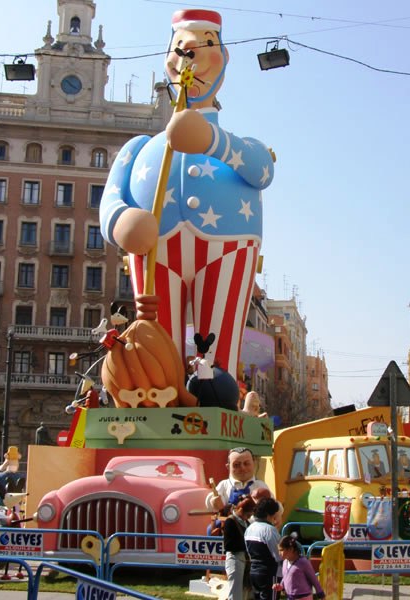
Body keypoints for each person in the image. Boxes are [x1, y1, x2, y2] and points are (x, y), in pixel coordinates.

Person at [99, 8, 276, 381]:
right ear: (169, 58)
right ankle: (163, 398)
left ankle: (216, 404)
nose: (189, 54)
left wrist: (213, 141)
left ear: (223, 59)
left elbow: (263, 171)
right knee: (159, 350)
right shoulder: (140, 146)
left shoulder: (238, 145)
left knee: (217, 352)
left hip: (228, 247)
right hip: (155, 250)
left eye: (204, 44)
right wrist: (122, 221)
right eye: (180, 47)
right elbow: (111, 197)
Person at [206, 447, 270, 512]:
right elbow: (212, 498)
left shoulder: (259, 485)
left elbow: (273, 505)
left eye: (246, 463)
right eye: (236, 465)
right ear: (228, 467)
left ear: (253, 464)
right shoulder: (224, 484)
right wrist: (214, 501)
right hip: (230, 520)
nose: (242, 468)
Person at [244, 497, 282, 600]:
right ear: (270, 514)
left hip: (253, 570)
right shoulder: (270, 530)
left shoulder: (250, 528)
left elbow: (248, 550)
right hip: (269, 572)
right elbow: (278, 554)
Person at [222, 495, 255, 600]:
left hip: (246, 560)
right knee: (235, 593)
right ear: (240, 509)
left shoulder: (246, 523)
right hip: (235, 559)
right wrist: (247, 544)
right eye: (248, 514)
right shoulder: (230, 522)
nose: (249, 517)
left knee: (246, 592)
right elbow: (228, 545)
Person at [272, 535, 325, 600]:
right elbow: (286, 577)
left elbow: (313, 579)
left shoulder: (303, 562)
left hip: (303, 597)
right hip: (290, 597)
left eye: (281, 550)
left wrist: (321, 594)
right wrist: (281, 586)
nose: (279, 553)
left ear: (291, 549)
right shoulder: (285, 562)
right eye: (278, 550)